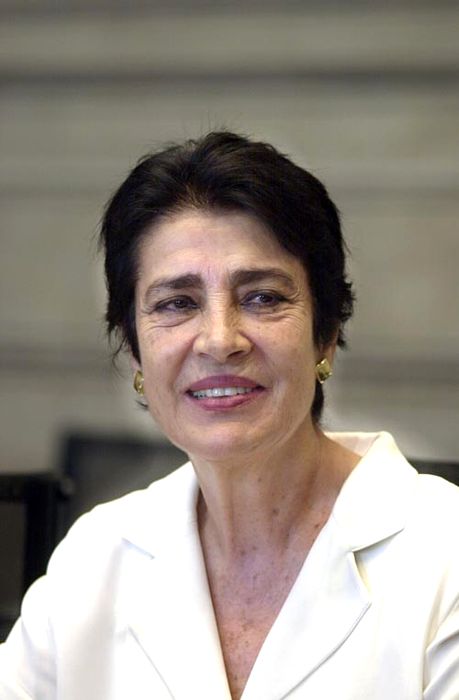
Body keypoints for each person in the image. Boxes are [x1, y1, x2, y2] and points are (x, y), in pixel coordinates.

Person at [1, 131, 458, 700]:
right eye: (177, 303)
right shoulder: (95, 557)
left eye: (262, 297)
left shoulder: (445, 554)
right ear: (136, 350)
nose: (220, 340)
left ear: (326, 333)